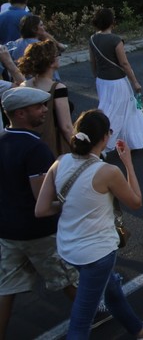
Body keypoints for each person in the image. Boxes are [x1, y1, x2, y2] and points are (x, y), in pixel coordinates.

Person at [34, 109, 143, 339]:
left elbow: (42, 209)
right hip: (96, 253)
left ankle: (141, 331)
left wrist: (71, 204)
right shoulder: (107, 172)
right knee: (80, 322)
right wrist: (128, 164)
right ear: (105, 137)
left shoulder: (60, 162)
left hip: (68, 249)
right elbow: (136, 201)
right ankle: (141, 331)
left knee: (111, 288)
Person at [0, 87, 78, 339]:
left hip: (7, 230)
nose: (45, 110)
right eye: (39, 107)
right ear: (20, 113)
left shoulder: (3, 140)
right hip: (38, 233)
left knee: (6, 288)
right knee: (68, 277)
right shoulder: (35, 148)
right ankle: (92, 314)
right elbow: (43, 201)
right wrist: (70, 204)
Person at [88, 9, 143, 154]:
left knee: (111, 107)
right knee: (117, 112)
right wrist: (135, 82)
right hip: (117, 81)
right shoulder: (115, 40)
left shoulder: (92, 39)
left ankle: (127, 141)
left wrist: (96, 76)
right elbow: (124, 63)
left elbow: (93, 61)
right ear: (112, 22)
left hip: (102, 80)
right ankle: (103, 144)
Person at [19, 41, 74, 156]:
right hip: (52, 144)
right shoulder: (57, 88)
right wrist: (80, 149)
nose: (59, 57)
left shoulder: (24, 85)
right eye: (57, 55)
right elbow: (66, 127)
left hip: (29, 142)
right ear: (51, 62)